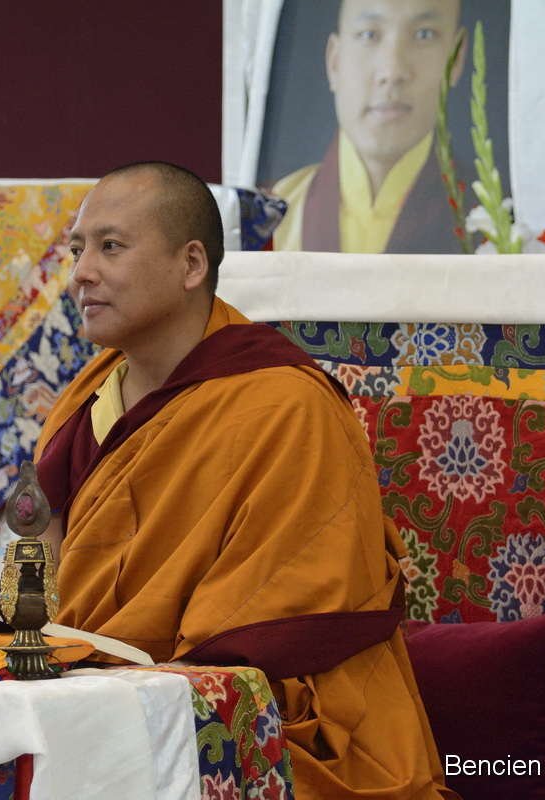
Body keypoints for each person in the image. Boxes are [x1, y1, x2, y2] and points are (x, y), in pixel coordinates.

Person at [34, 161, 456, 799]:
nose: (81, 273)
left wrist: (124, 690)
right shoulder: (85, 398)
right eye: (76, 250)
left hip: (258, 717)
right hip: (87, 697)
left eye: (110, 247)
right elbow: (43, 578)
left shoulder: (285, 407)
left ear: (191, 264)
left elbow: (283, 620)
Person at [272, 0, 467, 253]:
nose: (392, 71)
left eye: (424, 34)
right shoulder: (269, 219)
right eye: (369, 35)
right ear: (334, 62)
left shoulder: (494, 225)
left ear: (456, 58)